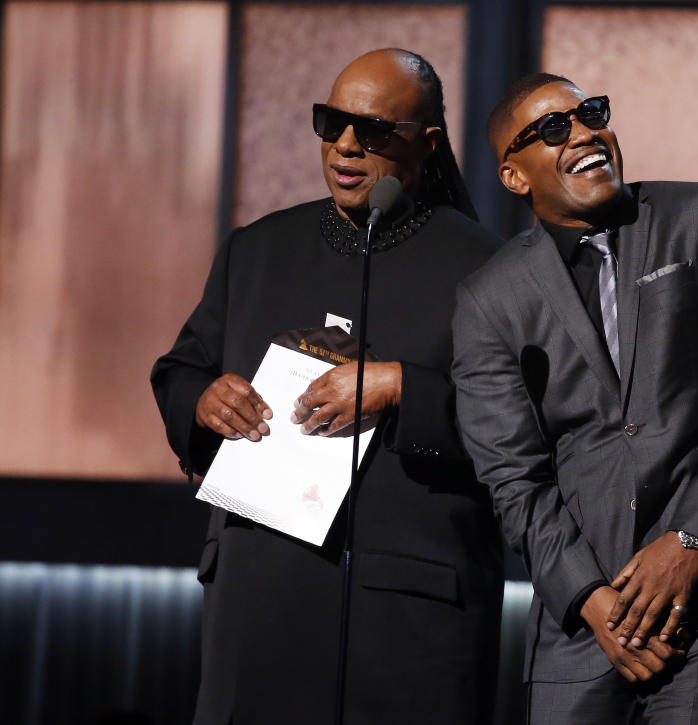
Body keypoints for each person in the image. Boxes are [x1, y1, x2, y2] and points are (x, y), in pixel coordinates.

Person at [151, 49, 504, 724]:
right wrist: (201, 399)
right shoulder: (256, 249)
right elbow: (180, 369)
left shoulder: (488, 267)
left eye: (371, 130)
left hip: (405, 622)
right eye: (331, 121)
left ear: (427, 142)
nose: (344, 144)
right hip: (258, 602)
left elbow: (529, 422)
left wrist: (404, 387)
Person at [451, 73, 698, 723]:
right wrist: (587, 596)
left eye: (590, 113)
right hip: (583, 616)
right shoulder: (489, 297)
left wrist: (689, 537)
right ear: (513, 176)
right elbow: (510, 471)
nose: (586, 132)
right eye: (554, 128)